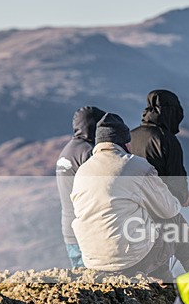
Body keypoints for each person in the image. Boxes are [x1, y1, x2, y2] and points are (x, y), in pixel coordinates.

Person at [71, 113, 181, 281]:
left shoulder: (82, 171)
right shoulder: (135, 165)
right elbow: (170, 210)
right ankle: (165, 286)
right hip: (130, 260)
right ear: (125, 143)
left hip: (92, 260)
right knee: (170, 222)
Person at [129, 89, 189, 272]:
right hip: (161, 206)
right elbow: (175, 176)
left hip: (132, 209)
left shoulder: (130, 136)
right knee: (186, 242)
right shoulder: (165, 139)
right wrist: (183, 195)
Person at [55, 106, 106, 267]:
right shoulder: (89, 153)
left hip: (70, 230)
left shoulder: (67, 151)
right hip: (88, 232)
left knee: (83, 283)